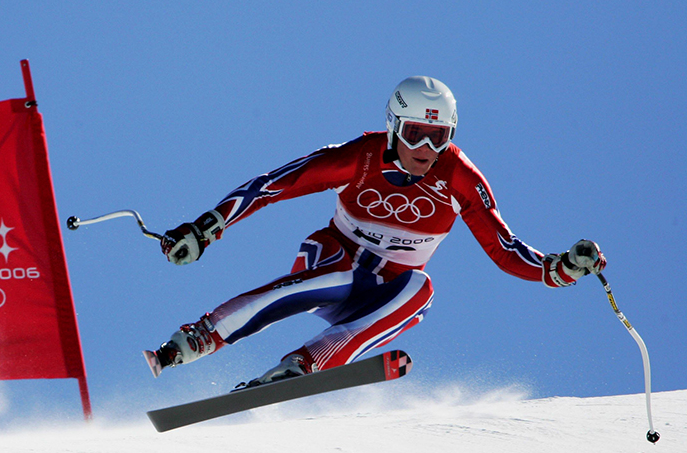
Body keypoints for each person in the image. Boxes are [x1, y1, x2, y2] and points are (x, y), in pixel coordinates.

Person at [143, 76, 606, 387]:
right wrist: (208, 227)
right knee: (345, 273)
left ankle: (304, 365)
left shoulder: (459, 177)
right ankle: (199, 337)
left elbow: (506, 251)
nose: (426, 150)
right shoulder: (360, 157)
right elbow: (275, 185)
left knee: (422, 290)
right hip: (330, 261)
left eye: (439, 137)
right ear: (392, 128)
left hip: (383, 293)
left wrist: (561, 268)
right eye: (415, 134)